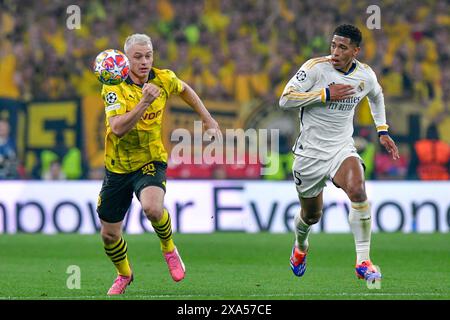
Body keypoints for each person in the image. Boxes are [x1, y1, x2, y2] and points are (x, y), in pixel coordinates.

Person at [96, 33, 221, 295]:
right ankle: (124, 274)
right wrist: (145, 102)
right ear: (126, 60)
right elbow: (117, 128)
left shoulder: (163, 78)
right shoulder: (113, 88)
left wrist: (208, 119)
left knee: (152, 209)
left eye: (148, 56)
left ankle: (169, 248)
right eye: (138, 57)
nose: (144, 62)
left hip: (150, 159)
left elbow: (185, 90)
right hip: (117, 166)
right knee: (109, 235)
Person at [279, 24, 400, 284]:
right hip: (309, 153)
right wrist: (324, 94)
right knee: (312, 215)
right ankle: (300, 246)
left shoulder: (365, 76)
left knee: (358, 190)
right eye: (333, 45)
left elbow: (377, 96)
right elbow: (285, 99)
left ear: (355, 51)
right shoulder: (314, 68)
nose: (335, 52)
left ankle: (363, 261)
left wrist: (382, 130)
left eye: (342, 47)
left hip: (341, 148)